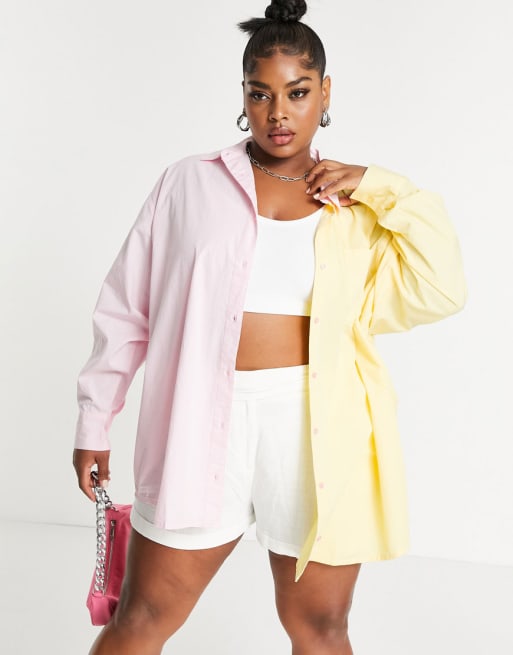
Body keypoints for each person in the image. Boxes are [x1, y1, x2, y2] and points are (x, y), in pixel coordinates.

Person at [73, 1, 466, 653]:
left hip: (316, 430)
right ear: (243, 97)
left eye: (297, 92)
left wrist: (379, 185)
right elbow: (125, 308)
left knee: (321, 628)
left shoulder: (356, 208)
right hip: (199, 421)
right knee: (141, 617)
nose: (278, 112)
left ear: (325, 93)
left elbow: (443, 286)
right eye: (260, 94)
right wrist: (94, 419)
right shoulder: (189, 184)